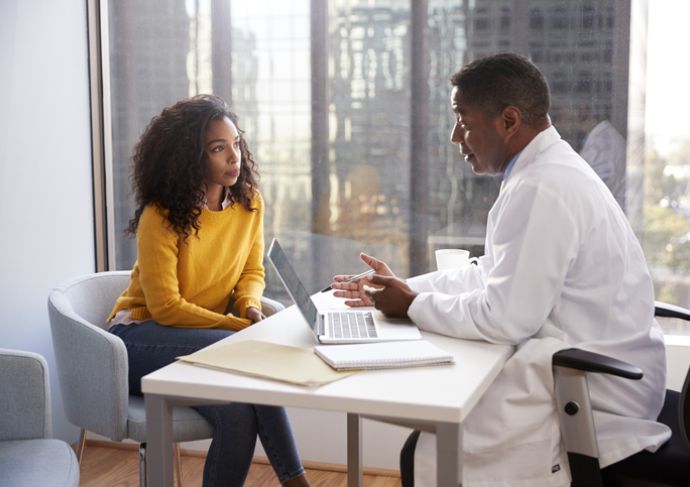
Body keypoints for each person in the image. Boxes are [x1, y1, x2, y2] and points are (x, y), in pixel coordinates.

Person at [331, 54, 670, 487]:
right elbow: (490, 272)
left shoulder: (543, 186)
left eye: (463, 120)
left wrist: (413, 306)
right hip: (607, 366)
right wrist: (401, 288)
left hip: (597, 389)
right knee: (435, 427)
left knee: (431, 448)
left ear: (508, 120)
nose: (455, 137)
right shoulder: (544, 171)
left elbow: (508, 317)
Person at [107, 94, 310, 487]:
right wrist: (238, 330)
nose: (234, 157)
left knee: (237, 412)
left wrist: (249, 305)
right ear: (189, 158)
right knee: (253, 356)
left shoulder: (249, 204)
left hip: (205, 340)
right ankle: (297, 482)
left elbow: (252, 270)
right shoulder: (160, 215)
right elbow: (165, 308)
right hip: (137, 340)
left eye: (236, 144)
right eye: (218, 149)